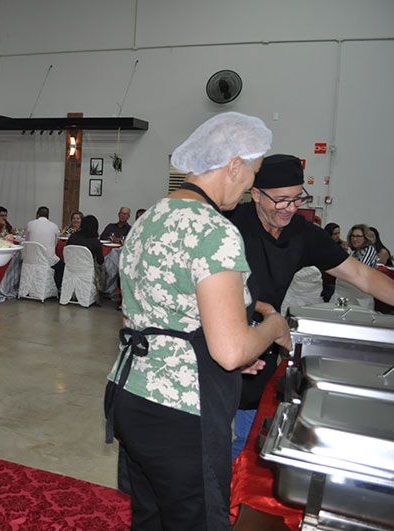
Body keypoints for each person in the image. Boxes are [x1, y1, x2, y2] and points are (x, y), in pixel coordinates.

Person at [107, 112, 291, 530]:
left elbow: (148, 314)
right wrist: (273, 329)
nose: (248, 191)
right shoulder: (213, 231)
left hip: (131, 393)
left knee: (151, 517)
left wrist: (227, 350)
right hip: (182, 411)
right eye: (252, 176)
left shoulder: (150, 217)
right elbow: (230, 351)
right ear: (234, 165)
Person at [227, 155, 394, 460]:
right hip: (217, 340)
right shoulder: (230, 225)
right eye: (281, 199)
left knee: (246, 443)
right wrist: (258, 308)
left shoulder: (301, 233)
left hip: (261, 347)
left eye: (297, 198)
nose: (290, 208)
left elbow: (361, 275)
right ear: (256, 194)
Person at [26, 206, 62, 288]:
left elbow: (27, 241)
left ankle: (27, 285)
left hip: (31, 260)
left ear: (37, 215)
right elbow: (55, 243)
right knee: (62, 266)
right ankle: (56, 287)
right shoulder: (54, 226)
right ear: (48, 216)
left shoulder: (30, 224)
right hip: (47, 261)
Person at [67, 215, 104, 289]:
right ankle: (101, 289)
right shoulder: (95, 242)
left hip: (71, 268)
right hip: (87, 270)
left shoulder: (72, 237)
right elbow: (100, 261)